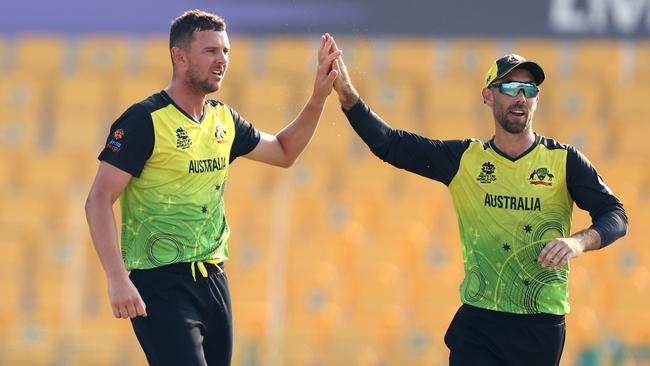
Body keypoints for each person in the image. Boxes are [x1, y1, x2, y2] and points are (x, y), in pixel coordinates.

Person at [328, 40, 628, 366]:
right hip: (479, 321)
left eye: (529, 89)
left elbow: (615, 215)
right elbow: (390, 144)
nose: (521, 97)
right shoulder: (465, 161)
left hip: (539, 323)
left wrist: (578, 242)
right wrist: (347, 95)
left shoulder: (564, 161)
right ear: (488, 95)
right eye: (511, 87)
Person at [84, 10, 340, 366]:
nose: (222, 61)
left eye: (226, 51)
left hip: (214, 278)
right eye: (211, 51)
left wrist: (317, 98)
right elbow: (98, 199)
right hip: (160, 283)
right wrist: (116, 278)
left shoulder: (224, 119)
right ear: (180, 55)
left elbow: (284, 152)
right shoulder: (144, 121)